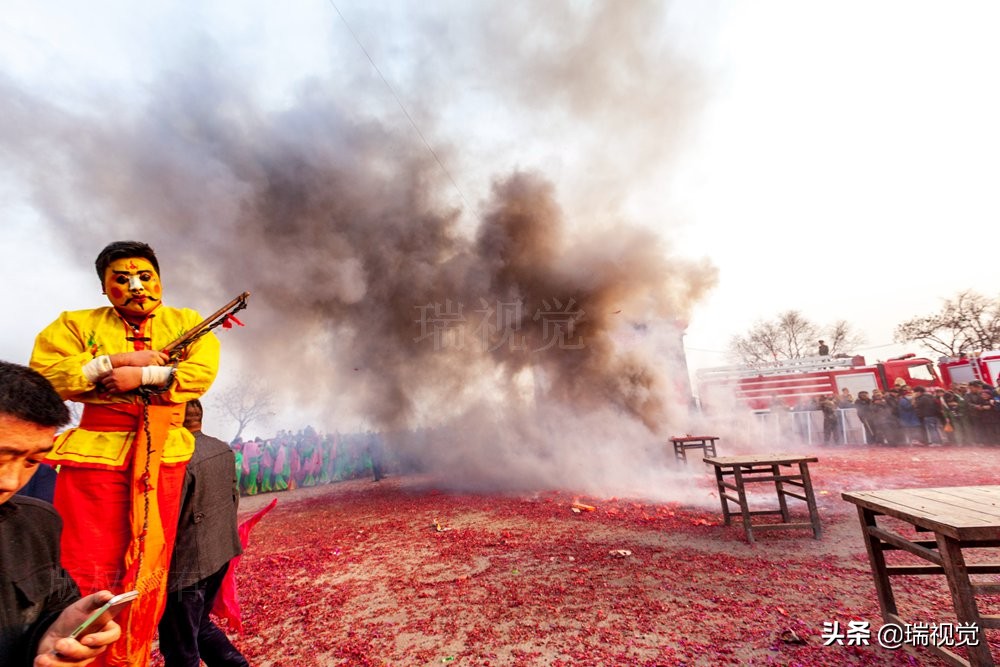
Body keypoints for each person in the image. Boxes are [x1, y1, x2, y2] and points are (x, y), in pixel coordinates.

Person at [30, 241, 220, 667]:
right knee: (88, 567)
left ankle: (130, 657)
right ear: (104, 288)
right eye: (121, 279)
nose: (135, 286)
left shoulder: (187, 322)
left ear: (160, 280)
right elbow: (45, 376)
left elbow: (200, 372)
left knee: (147, 571)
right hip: (96, 465)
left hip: (163, 461)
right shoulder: (74, 325)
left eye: (144, 277)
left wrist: (142, 374)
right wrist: (110, 361)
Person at [0, 360, 123, 666]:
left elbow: (51, 612)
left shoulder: (38, 525)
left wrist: (53, 636)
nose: (12, 482)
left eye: (32, 461)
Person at [158, 399, 247, 667]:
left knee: (180, 646)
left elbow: (167, 518)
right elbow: (234, 498)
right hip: (219, 554)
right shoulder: (223, 449)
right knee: (199, 627)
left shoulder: (178, 457)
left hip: (187, 567)